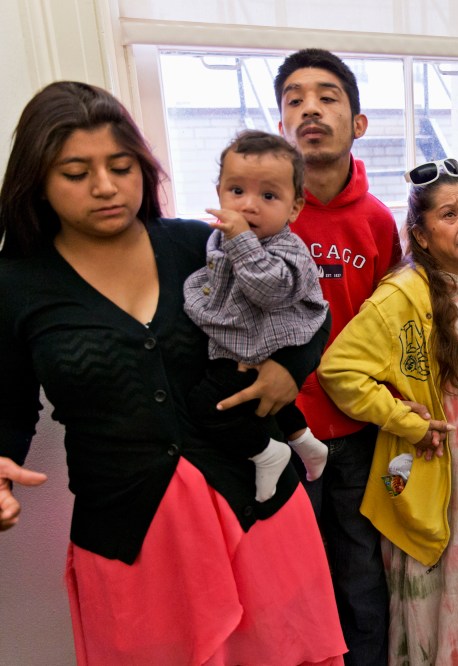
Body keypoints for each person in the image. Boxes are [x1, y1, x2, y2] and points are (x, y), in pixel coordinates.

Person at [0, 81, 346, 664]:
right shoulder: (15, 284)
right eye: (76, 172)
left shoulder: (201, 245)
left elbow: (308, 309)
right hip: (133, 534)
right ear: (38, 181)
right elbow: (8, 404)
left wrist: (290, 368)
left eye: (120, 165)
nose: (106, 187)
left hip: (256, 511)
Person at [317, 160, 458, 665]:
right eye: (450, 215)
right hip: (444, 478)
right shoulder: (402, 296)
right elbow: (338, 371)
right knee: (445, 594)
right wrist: (407, 421)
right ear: (420, 234)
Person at [275, 48, 402, 665]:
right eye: (295, 100)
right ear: (281, 125)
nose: (310, 111)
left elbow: (395, 329)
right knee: (290, 582)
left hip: (356, 430)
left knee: (360, 577)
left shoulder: (378, 223)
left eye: (327, 97)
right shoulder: (260, 222)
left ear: (358, 123)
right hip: (276, 434)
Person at [184, 129, 330, 503]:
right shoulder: (215, 238)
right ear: (219, 192)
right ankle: (306, 443)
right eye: (236, 191)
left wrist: (241, 241)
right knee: (273, 405)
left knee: (208, 407)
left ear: (294, 208)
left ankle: (268, 452)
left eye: (268, 195)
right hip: (246, 343)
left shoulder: (288, 247)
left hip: (276, 341)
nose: (249, 205)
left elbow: (270, 288)